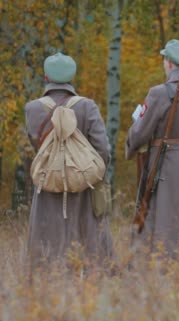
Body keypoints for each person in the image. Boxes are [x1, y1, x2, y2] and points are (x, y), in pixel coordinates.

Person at [126, 39, 179, 256]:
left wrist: (131, 144)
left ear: (170, 63)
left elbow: (141, 131)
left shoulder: (159, 93)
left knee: (161, 213)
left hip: (165, 162)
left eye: (164, 59)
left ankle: (161, 264)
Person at [25, 52, 113, 267]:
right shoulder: (87, 106)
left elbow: (35, 144)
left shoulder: (33, 108)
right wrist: (94, 174)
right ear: (71, 77)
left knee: (47, 244)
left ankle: (46, 272)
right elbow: (103, 148)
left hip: (48, 184)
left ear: (46, 77)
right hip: (83, 185)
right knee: (87, 240)